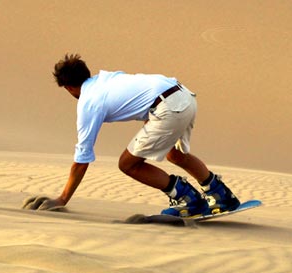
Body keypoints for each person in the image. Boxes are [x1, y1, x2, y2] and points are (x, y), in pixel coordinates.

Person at [22, 54, 240, 217]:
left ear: (69, 87)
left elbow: (82, 158)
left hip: (167, 108)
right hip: (184, 96)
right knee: (174, 155)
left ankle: (187, 199)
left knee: (128, 164)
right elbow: (142, 95)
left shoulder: (89, 102)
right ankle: (221, 196)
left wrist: (62, 198)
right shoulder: (106, 78)